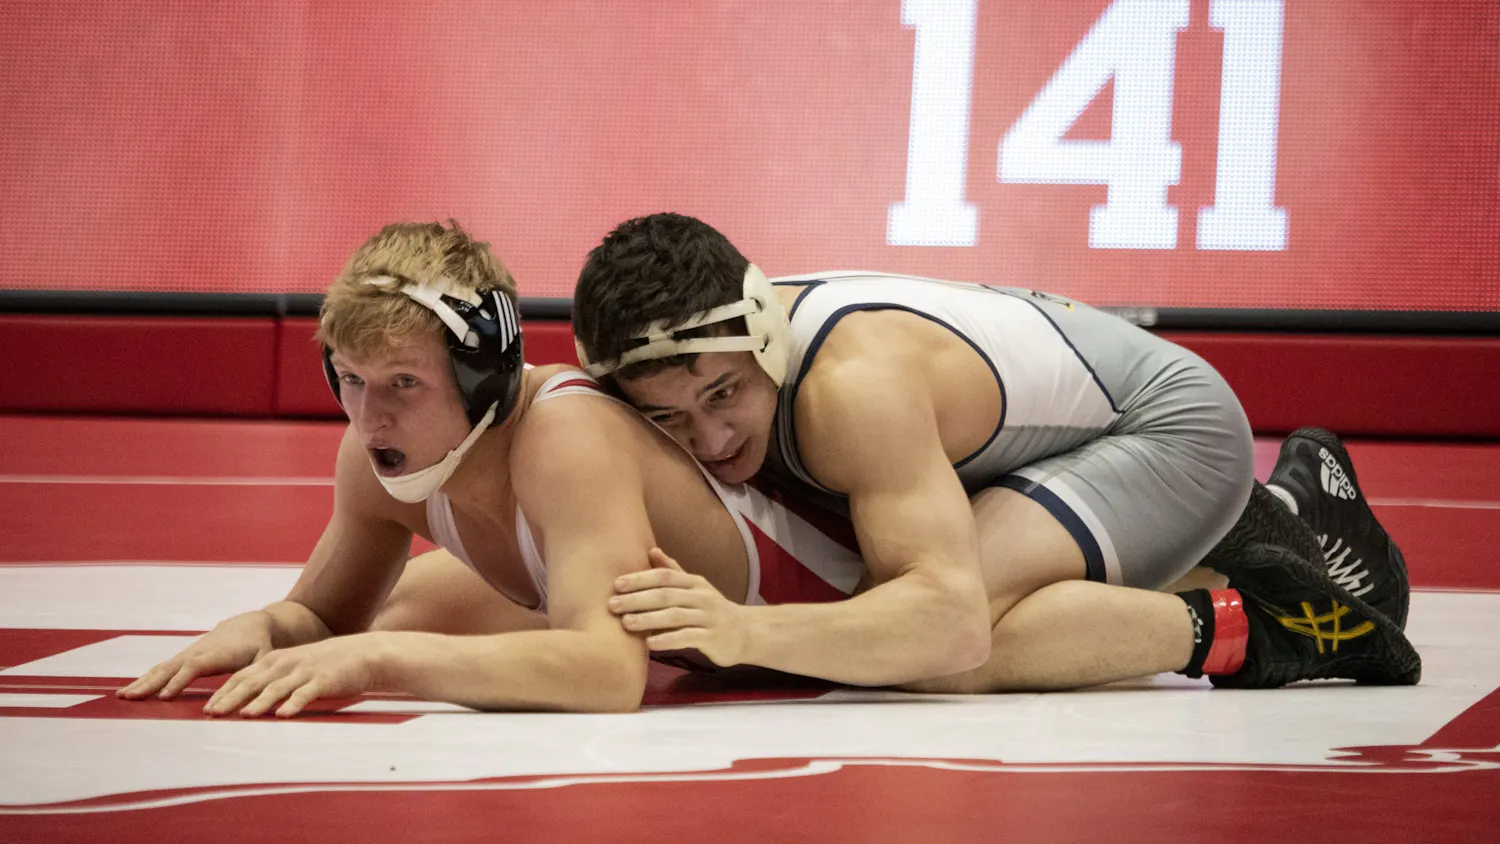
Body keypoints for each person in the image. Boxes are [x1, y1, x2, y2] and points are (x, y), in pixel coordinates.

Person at [571, 212, 1418, 692]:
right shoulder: (729, 358)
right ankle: (1292, 516)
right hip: (1042, 444)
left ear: (764, 339)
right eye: (671, 420)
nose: (711, 441)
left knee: (914, 651)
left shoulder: (851, 388)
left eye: (724, 395)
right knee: (870, 622)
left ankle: (1262, 627)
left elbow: (945, 627)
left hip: (1166, 429)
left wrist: (742, 631)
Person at [117, 220, 868, 717]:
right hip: (696, 645)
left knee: (398, 631)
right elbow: (324, 620)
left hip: (847, 614)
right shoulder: (369, 456)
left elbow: (607, 674)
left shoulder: (566, 433)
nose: (370, 418)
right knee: (395, 615)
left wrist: (382, 660)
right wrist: (265, 626)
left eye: (404, 383)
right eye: (350, 379)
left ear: (485, 375)